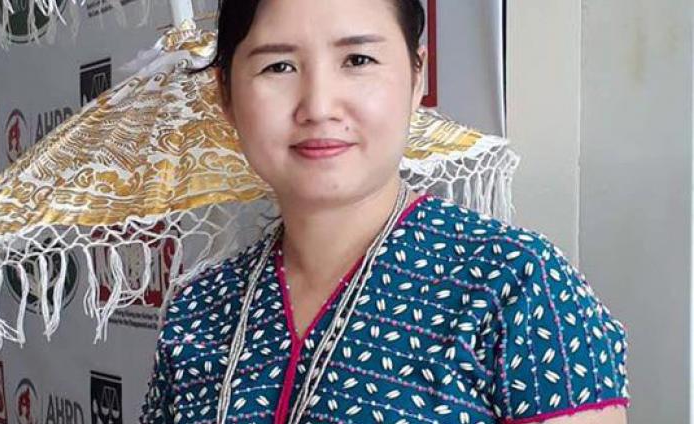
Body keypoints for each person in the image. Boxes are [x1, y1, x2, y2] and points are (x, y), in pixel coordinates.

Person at [139, 0, 630, 423]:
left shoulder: (513, 285)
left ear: (417, 77)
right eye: (279, 67)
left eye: (358, 59)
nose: (319, 106)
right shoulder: (198, 310)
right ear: (226, 94)